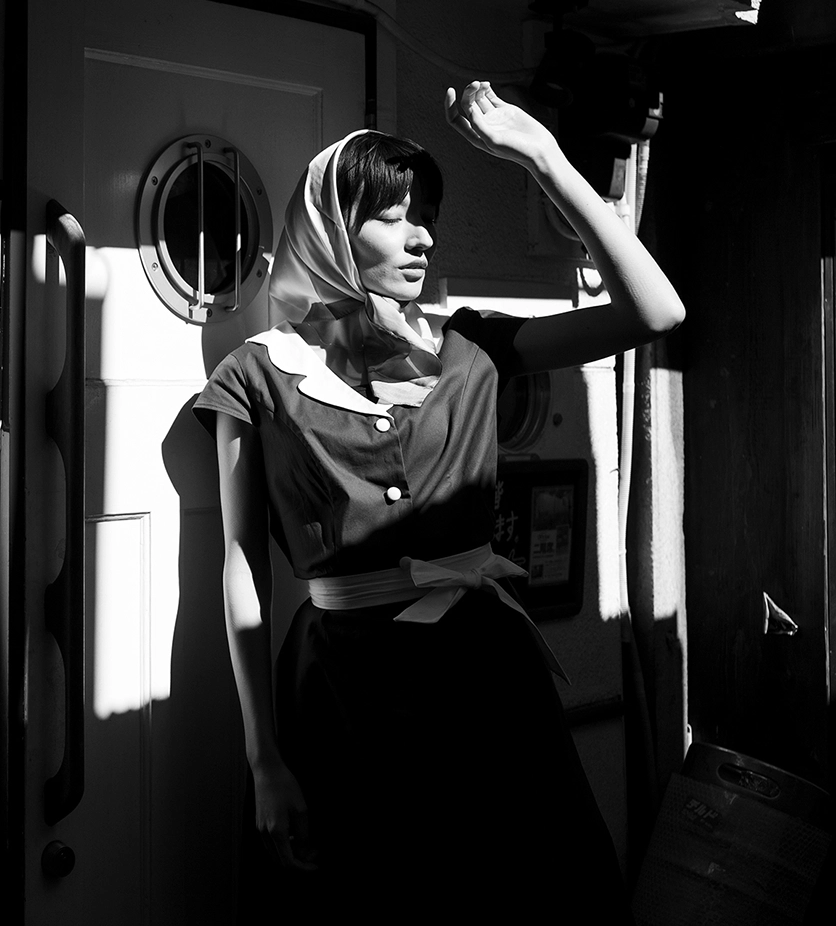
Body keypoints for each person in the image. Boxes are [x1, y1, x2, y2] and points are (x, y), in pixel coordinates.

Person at [195, 81, 684, 917]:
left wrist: (543, 158)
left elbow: (656, 313)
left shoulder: (472, 344)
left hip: (487, 677)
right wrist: (264, 757)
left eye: (427, 215)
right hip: (341, 689)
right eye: (393, 216)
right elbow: (240, 564)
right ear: (331, 227)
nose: (422, 236)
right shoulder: (257, 374)